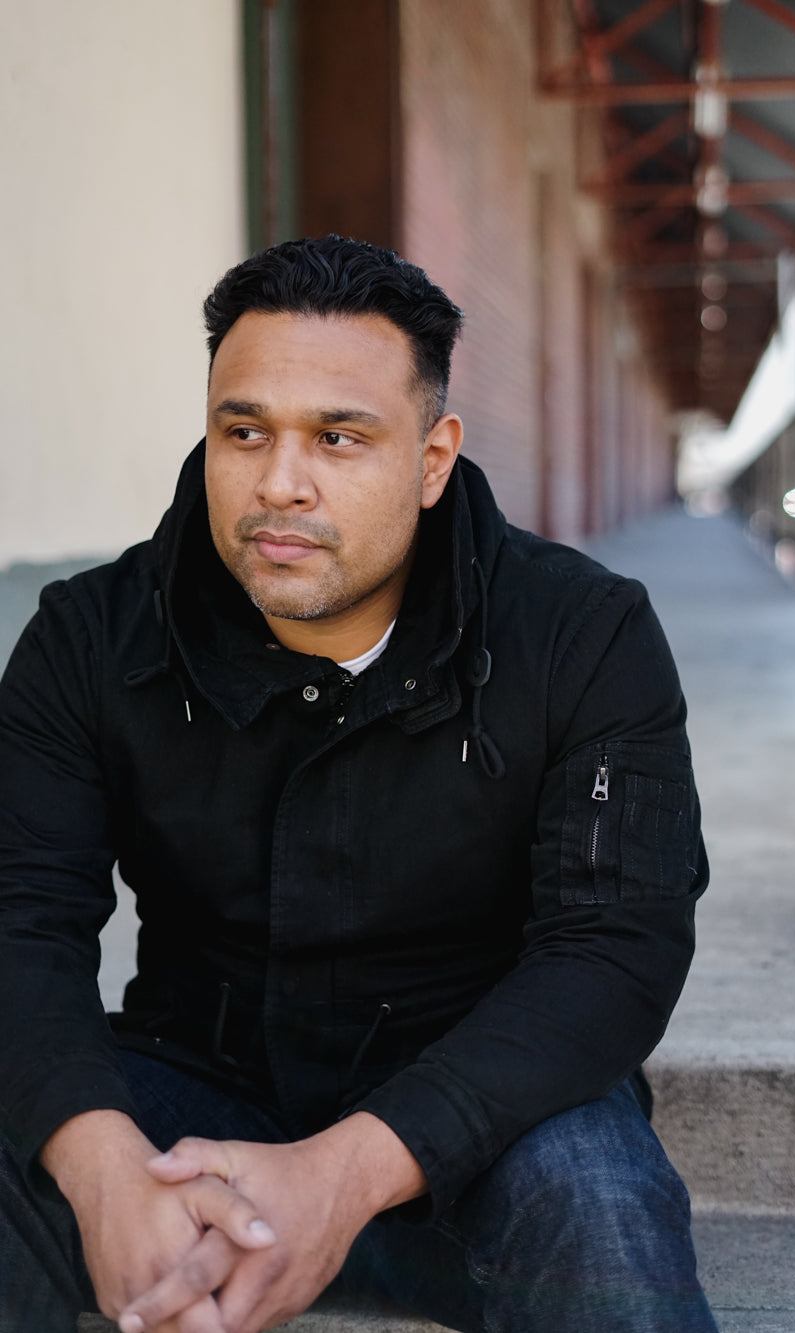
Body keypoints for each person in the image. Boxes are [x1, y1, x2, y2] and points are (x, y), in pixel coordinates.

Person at [0, 235, 717, 1333]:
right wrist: (100, 1168)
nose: (279, 483)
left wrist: (342, 1176)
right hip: (194, 1087)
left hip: (480, 1114)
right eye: (245, 432)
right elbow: (20, 917)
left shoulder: (581, 633)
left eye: (339, 437)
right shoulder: (91, 636)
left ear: (432, 460)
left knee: (601, 1216)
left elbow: (614, 951)